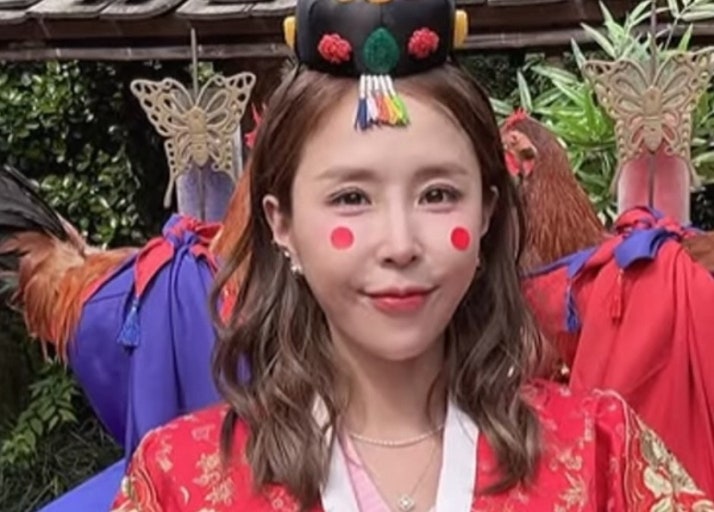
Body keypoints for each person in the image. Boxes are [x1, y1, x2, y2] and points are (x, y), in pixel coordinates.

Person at [110, 0, 714, 510]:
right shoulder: (179, 481)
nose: (400, 245)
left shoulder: (602, 452)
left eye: (438, 194)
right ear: (282, 224)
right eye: (351, 198)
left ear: (486, 213)